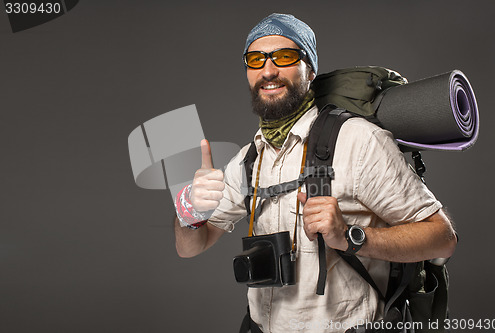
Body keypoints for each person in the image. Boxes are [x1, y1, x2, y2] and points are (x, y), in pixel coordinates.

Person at [174, 13, 457, 333]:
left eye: (284, 57)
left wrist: (350, 236)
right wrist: (189, 212)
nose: (268, 70)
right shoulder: (250, 159)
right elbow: (189, 247)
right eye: (256, 59)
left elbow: (442, 238)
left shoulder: (358, 141)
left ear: (309, 70)